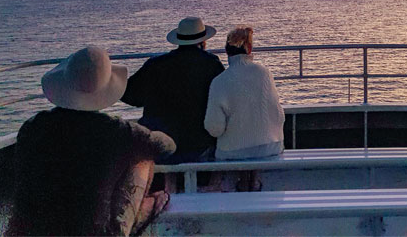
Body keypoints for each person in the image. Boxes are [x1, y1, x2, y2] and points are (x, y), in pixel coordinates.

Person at [7, 47, 176, 236]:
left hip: (29, 231)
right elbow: (167, 147)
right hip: (93, 233)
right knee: (144, 158)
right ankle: (146, 207)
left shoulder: (32, 127)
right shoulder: (119, 132)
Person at [122, 16, 224, 163]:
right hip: (198, 144)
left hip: (160, 145)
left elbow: (130, 96)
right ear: (203, 42)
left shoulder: (155, 65)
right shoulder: (211, 64)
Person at [204, 25, 285, 191]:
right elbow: (278, 115)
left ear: (227, 52)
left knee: (233, 147)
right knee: (254, 144)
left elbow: (214, 128)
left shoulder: (219, 81)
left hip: (232, 152)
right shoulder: (264, 73)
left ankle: (241, 184)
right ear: (249, 49)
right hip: (269, 147)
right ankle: (253, 182)